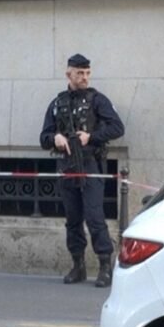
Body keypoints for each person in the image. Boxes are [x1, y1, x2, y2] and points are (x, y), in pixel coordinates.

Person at [39, 53, 125, 287]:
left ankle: (105, 266)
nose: (84, 77)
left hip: (90, 165)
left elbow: (118, 127)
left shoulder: (98, 100)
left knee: (95, 217)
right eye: (80, 73)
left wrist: (92, 137)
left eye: (87, 73)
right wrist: (54, 137)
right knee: (73, 219)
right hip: (67, 166)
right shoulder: (57, 103)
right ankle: (78, 266)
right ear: (69, 74)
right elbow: (43, 137)